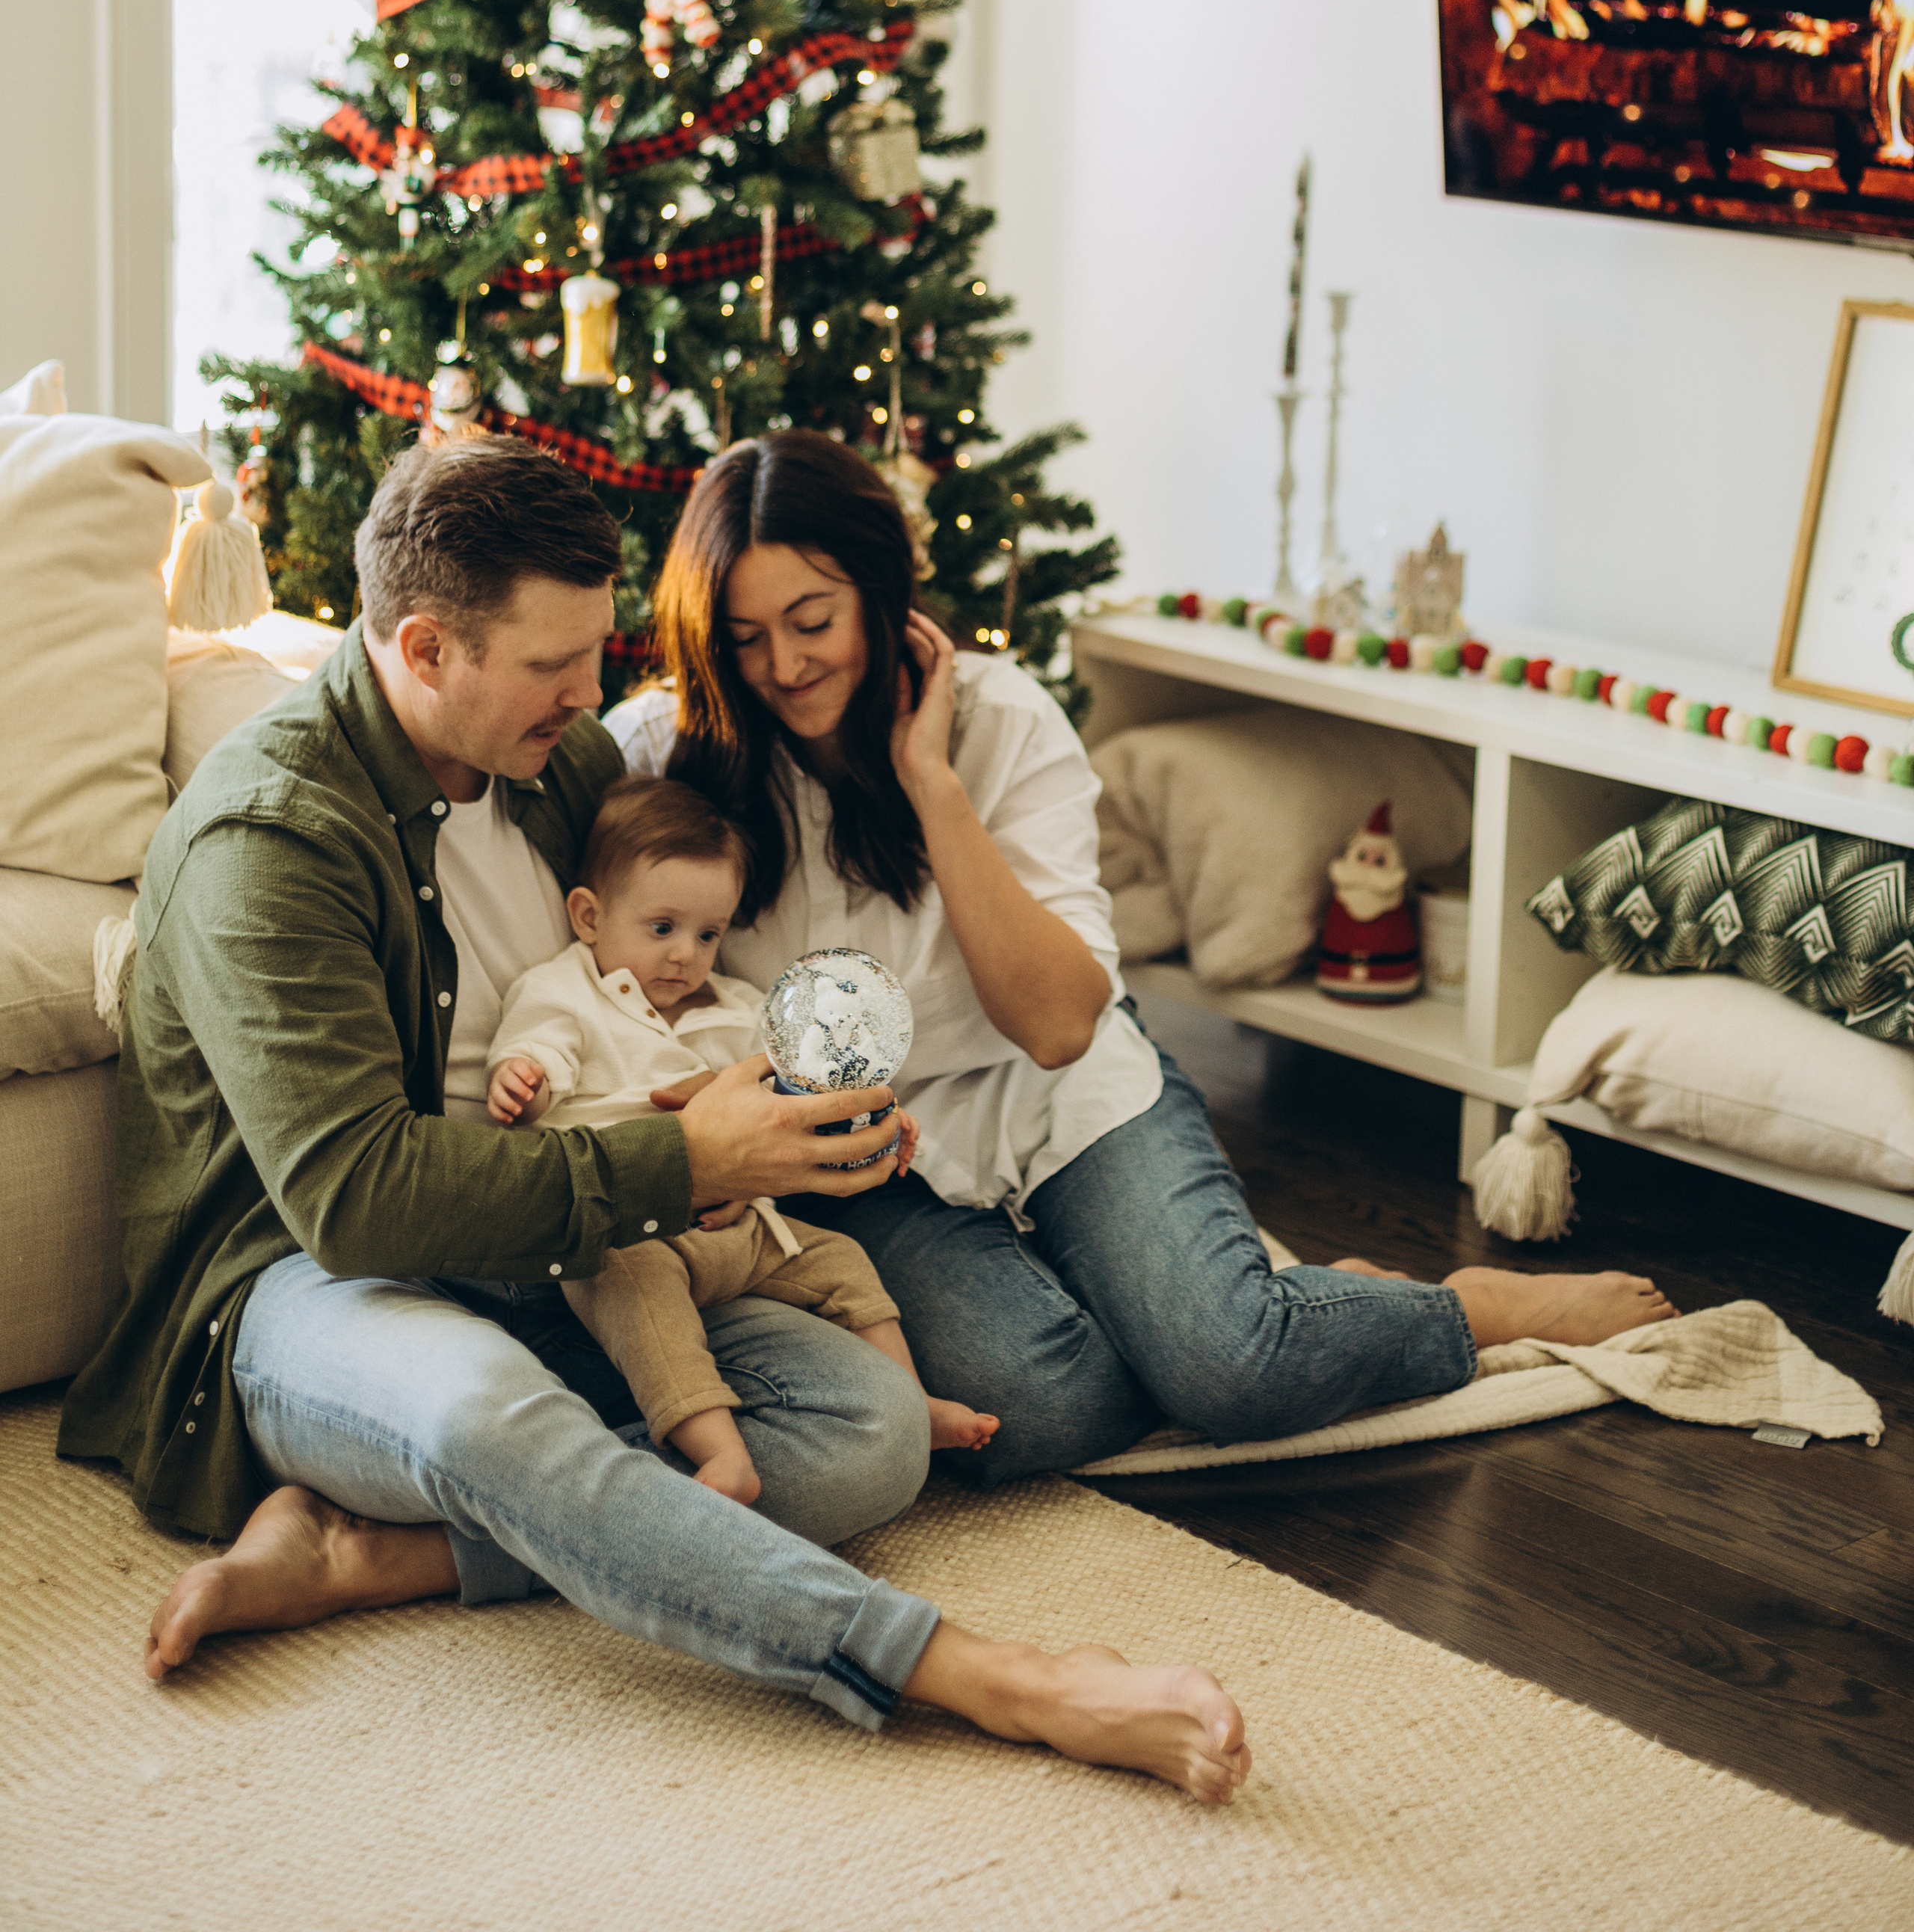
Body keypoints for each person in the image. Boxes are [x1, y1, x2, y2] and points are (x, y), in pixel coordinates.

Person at [55, 437, 1248, 1806]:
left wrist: (750, 1109)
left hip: (564, 1243)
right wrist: (683, 1156)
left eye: (598, 653)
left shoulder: (556, 772)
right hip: (310, 1279)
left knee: (874, 1426)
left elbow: (655, 999)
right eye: (555, 666)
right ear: (429, 648)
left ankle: (382, 1552)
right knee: (488, 1411)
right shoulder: (273, 841)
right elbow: (356, 1200)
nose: (599, 695)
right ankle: (984, 1677)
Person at [610, 431, 1678, 1483]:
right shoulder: (667, 754)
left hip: (1064, 1090)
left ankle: (1455, 1310)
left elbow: (1060, 1024)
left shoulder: (999, 723)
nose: (785, 667)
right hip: (866, 1168)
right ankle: (1244, 1313)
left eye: (813, 621)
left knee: (1236, 1370)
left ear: (882, 596)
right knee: (1034, 1411)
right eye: (745, 637)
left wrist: (932, 784)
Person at [484, 770, 999, 1501]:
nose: (685, 955)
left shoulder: (738, 1008)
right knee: (633, 1296)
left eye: (707, 935)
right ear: (589, 916)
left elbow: (805, 1095)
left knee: (843, 1259)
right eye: (661, 928)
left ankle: (907, 1396)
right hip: (635, 1232)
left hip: (744, 1227)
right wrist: (521, 1080)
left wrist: (877, 1119)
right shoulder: (564, 993)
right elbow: (537, 1059)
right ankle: (719, 1451)